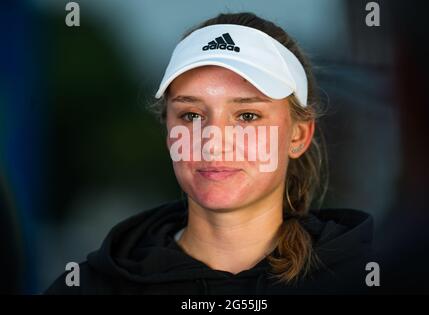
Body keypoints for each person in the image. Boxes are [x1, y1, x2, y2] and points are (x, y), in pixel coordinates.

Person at [46, 12, 373, 295]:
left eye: (247, 116)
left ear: (299, 135)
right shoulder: (92, 288)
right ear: (169, 134)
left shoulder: (368, 279)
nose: (213, 142)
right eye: (191, 115)